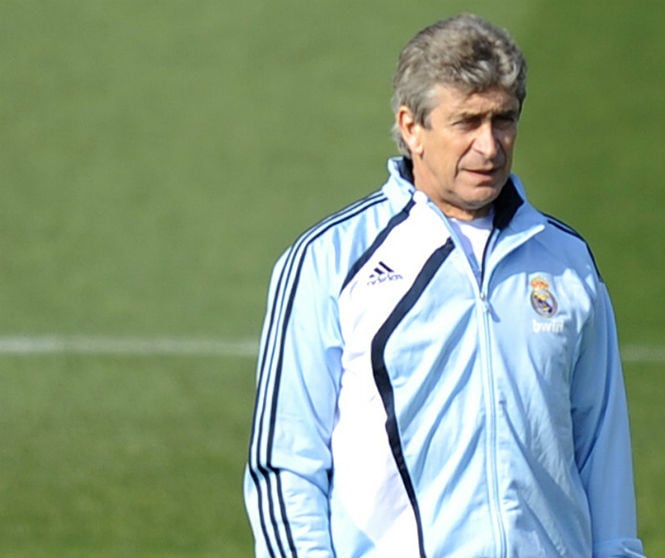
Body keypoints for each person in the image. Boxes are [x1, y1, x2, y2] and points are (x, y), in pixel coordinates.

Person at [244, 13, 644, 558]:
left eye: (504, 120)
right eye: (467, 122)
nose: (490, 146)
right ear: (411, 127)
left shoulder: (567, 261)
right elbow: (283, 466)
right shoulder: (330, 262)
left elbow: (603, 452)